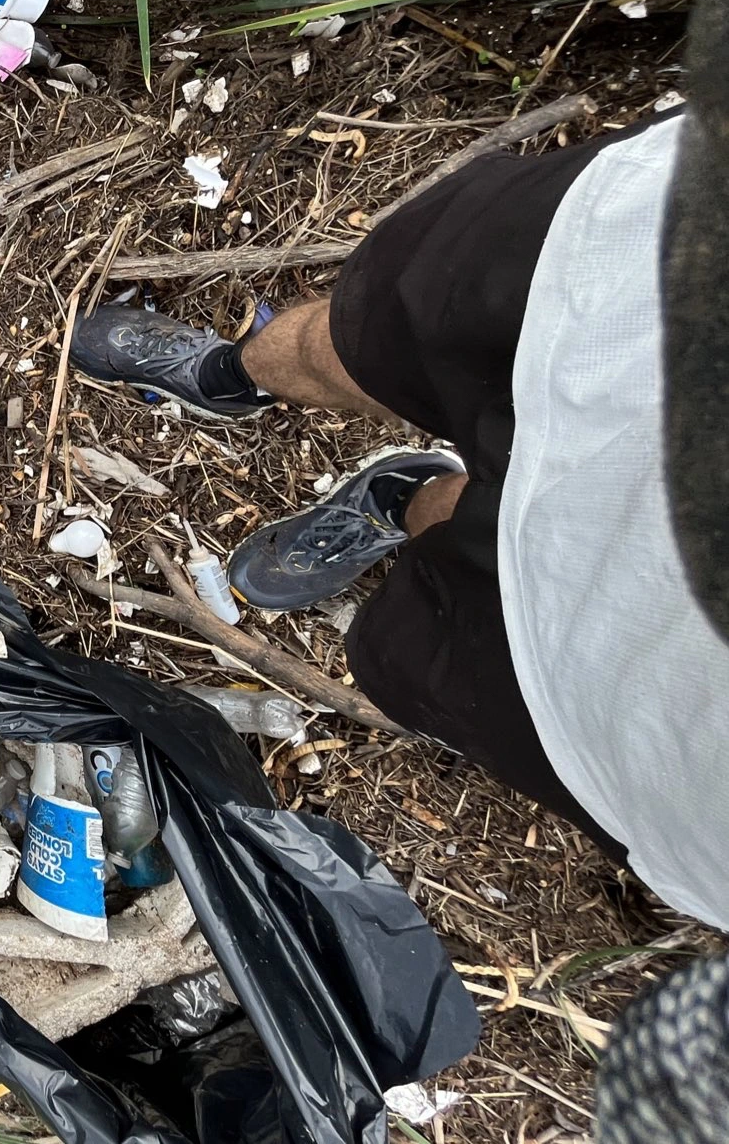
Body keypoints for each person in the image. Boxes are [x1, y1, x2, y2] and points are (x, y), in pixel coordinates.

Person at [67, 90, 729, 928]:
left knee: (494, 580)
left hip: (646, 691)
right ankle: (235, 377)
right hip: (646, 274)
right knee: (378, 329)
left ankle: (399, 497)